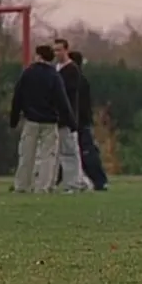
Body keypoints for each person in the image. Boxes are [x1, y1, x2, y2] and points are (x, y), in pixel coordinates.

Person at [10, 44, 76, 193]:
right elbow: (62, 101)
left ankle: (22, 185)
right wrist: (71, 122)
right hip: (50, 121)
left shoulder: (28, 73)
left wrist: (14, 119)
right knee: (48, 156)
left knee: (26, 154)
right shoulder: (54, 75)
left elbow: (18, 97)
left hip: (31, 120)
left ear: (38, 56)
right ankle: (43, 186)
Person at [64, 50, 108, 191]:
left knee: (84, 153)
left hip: (79, 123)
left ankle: (98, 181)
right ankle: (96, 180)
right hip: (81, 122)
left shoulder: (77, 81)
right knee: (81, 152)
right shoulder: (81, 80)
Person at [51, 38, 88, 193]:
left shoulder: (72, 70)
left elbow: (69, 93)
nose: (56, 53)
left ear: (66, 50)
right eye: (54, 50)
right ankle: (80, 181)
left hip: (67, 117)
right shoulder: (55, 69)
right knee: (56, 153)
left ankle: (73, 183)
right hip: (55, 117)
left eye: (59, 50)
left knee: (69, 151)